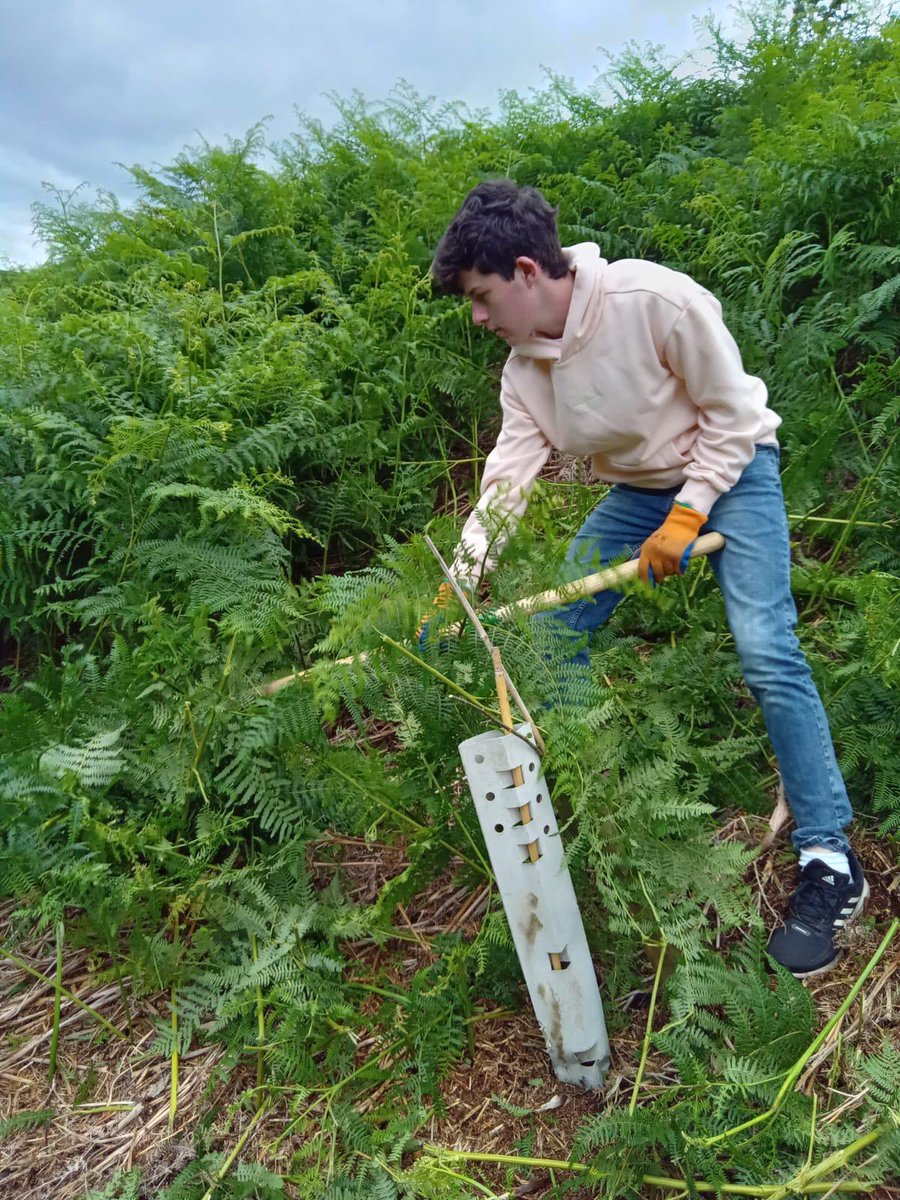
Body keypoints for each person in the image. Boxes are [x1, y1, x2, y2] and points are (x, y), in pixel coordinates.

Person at [424, 178, 867, 978]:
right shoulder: (525, 368)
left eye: (483, 297)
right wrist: (460, 582)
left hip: (735, 474)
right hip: (638, 495)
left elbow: (732, 418)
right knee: (548, 636)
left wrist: (693, 512)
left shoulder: (655, 300)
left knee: (767, 649)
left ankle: (830, 860)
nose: (479, 318)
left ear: (528, 271)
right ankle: (613, 808)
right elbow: (509, 478)